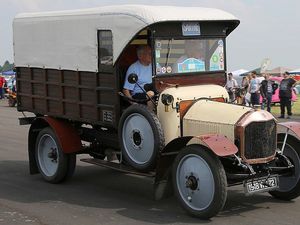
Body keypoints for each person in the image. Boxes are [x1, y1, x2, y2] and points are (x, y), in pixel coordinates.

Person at [123, 45, 154, 109]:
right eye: (149, 53)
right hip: (139, 94)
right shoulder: (133, 68)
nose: (152, 55)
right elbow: (126, 90)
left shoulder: (154, 65)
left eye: (152, 53)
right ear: (140, 56)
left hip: (154, 90)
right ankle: (151, 116)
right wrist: (134, 104)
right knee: (150, 94)